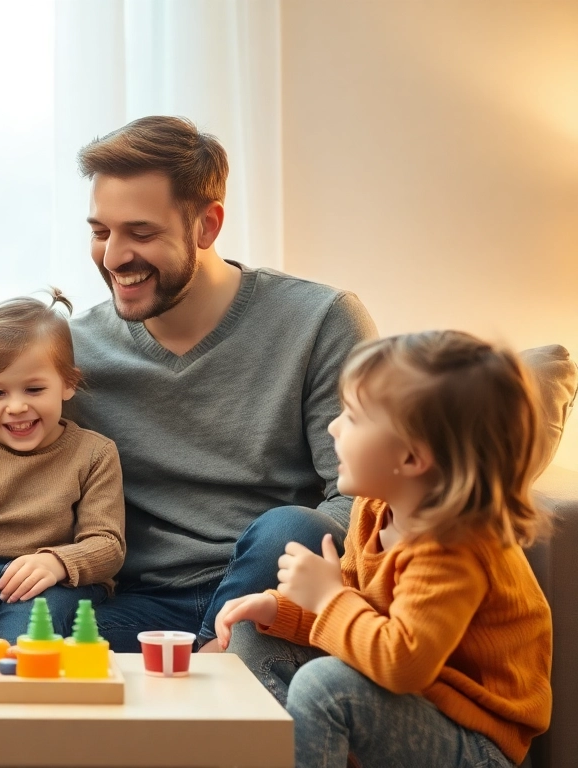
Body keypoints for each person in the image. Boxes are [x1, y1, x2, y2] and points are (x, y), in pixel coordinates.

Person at [64, 116, 378, 651]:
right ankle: (214, 681)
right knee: (32, 628)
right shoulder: (73, 351)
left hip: (271, 590)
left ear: (207, 225)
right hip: (136, 602)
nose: (114, 257)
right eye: (100, 232)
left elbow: (366, 500)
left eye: (140, 233)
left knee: (289, 528)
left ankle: (219, 664)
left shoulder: (322, 321)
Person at [215, 330, 552, 767]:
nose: (333, 427)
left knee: (326, 685)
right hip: (406, 705)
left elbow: (402, 663)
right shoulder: (374, 510)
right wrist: (279, 609)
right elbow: (358, 619)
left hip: (476, 745)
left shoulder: (455, 545)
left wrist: (328, 595)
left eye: (352, 417)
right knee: (254, 631)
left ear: (411, 458)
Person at [0, 292, 125, 643]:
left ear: (68, 384)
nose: (16, 407)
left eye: (33, 389)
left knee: (22, 639)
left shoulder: (95, 454)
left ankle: (12, 696)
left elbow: (108, 545)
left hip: (50, 581)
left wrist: (57, 563)